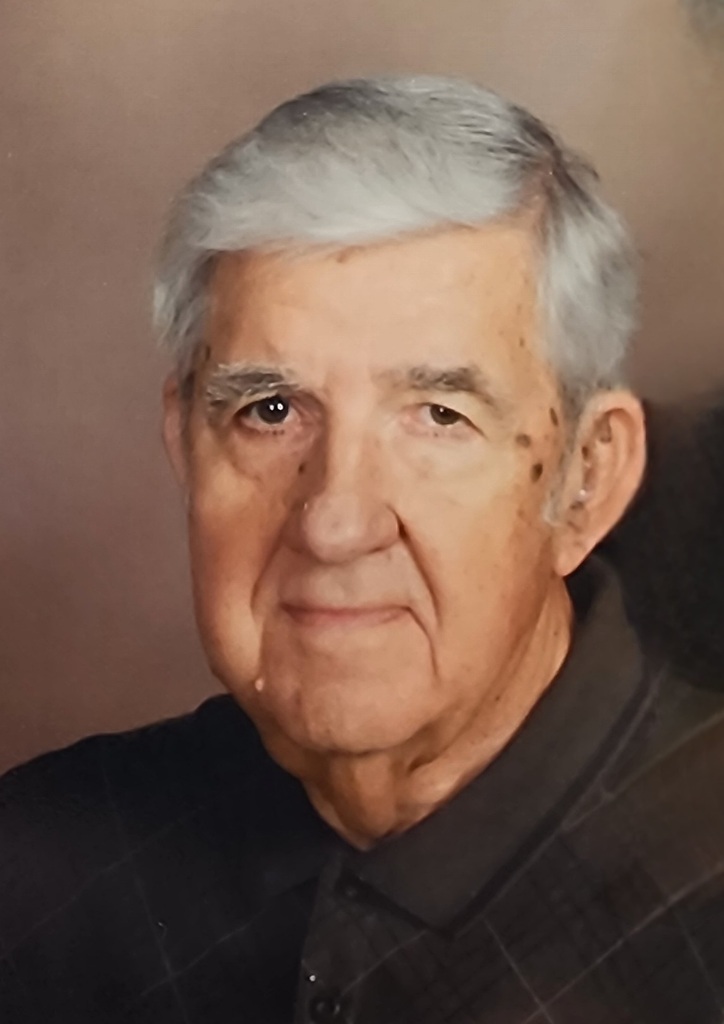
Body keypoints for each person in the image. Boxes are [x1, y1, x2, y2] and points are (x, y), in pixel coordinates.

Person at [0, 75, 721, 1024]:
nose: (335, 523)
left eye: (439, 416)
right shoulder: (37, 870)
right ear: (185, 445)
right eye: (270, 411)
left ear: (585, 480)